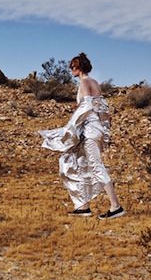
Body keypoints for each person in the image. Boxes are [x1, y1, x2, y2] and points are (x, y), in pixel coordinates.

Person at [38, 53, 124, 219]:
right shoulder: (95, 83)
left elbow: (86, 107)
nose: (71, 70)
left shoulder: (84, 82)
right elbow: (103, 109)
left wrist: (68, 130)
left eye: (73, 67)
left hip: (89, 131)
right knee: (78, 162)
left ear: (79, 68)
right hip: (95, 129)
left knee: (95, 166)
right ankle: (83, 206)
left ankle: (116, 206)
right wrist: (104, 129)